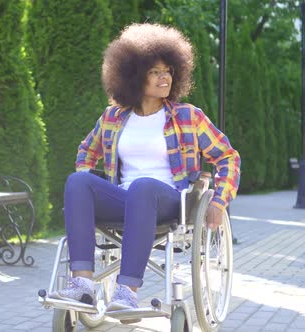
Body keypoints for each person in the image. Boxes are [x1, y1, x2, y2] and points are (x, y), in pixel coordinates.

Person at [51, 23, 241, 312]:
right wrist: (87, 177)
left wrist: (219, 200)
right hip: (125, 200)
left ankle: (126, 292)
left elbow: (227, 157)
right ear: (134, 75)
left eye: (168, 71)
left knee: (142, 187)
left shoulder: (188, 116)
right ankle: (82, 286)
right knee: (77, 182)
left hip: (169, 202)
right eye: (155, 72)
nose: (164, 77)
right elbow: (86, 152)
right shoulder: (113, 118)